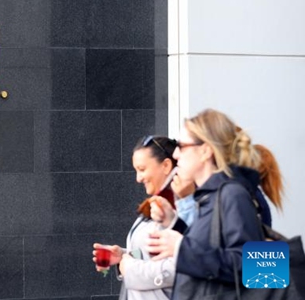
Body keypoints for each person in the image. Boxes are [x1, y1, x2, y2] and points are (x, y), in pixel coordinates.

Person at [147, 109, 284, 299]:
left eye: (182, 145)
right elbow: (210, 247)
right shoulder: (212, 196)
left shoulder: (232, 194)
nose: (176, 153)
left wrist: (181, 248)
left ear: (205, 151)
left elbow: (251, 268)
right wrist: (174, 223)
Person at [92, 135, 186, 299]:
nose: (138, 178)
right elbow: (156, 256)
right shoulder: (158, 202)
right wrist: (122, 255)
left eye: (142, 169)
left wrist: (130, 267)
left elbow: (182, 266)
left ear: (165, 165)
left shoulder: (183, 205)